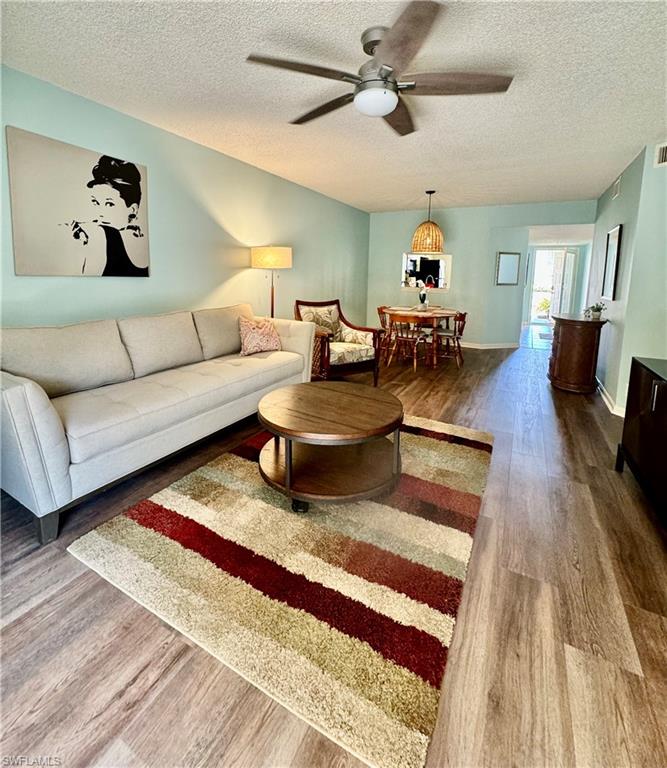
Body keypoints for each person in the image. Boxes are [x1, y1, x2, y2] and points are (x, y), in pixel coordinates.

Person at [65, 155, 148, 276]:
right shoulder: (144, 245)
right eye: (95, 202)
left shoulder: (99, 234)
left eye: (109, 204)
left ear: (133, 210)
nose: (100, 213)